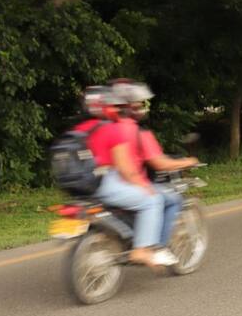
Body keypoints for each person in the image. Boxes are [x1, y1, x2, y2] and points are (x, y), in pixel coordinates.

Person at [74, 86, 175, 267]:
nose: (116, 109)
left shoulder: (80, 129)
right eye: (113, 106)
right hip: (105, 182)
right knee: (153, 200)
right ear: (105, 107)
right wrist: (144, 186)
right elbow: (126, 169)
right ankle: (141, 250)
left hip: (82, 187)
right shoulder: (112, 130)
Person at [109, 80, 199, 249]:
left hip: (107, 186)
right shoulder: (138, 132)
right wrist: (187, 161)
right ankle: (159, 247)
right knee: (173, 200)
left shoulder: (106, 128)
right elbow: (159, 163)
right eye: (140, 104)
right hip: (131, 184)